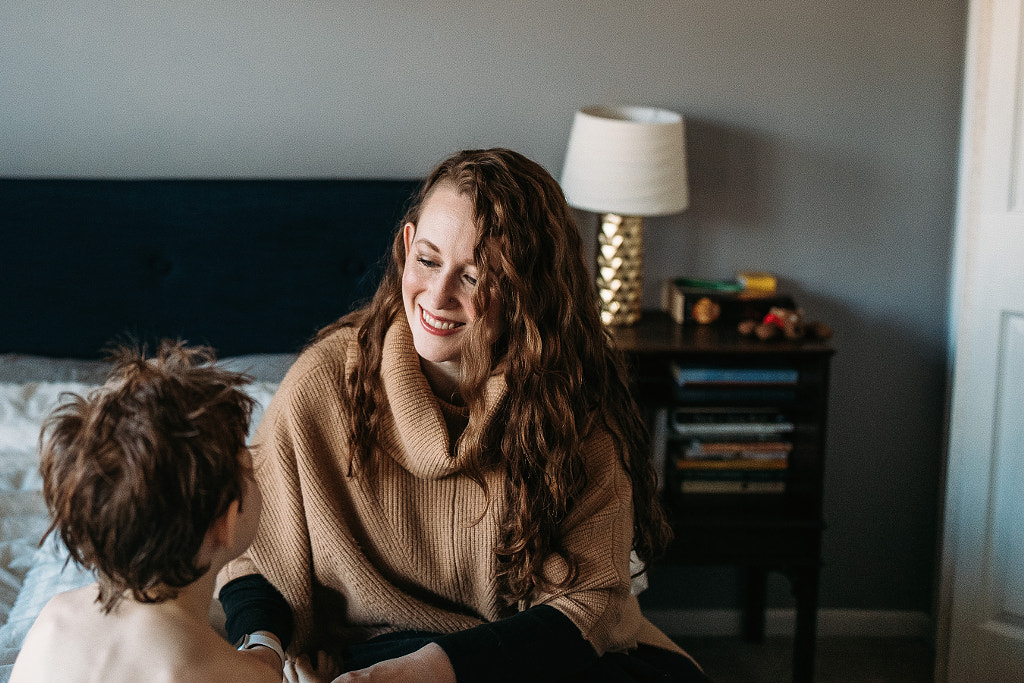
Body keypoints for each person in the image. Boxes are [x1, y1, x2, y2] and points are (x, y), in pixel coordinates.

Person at [218, 148, 711, 682]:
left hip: (531, 659)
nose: (438, 294)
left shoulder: (570, 404)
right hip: (370, 660)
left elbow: (586, 607)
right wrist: (260, 655)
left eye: (475, 277)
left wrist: (428, 672)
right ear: (407, 247)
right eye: (428, 261)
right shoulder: (325, 383)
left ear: (529, 289)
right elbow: (256, 559)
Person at [9, 341, 285, 683]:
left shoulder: (54, 617)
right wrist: (266, 645)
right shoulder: (226, 673)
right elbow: (263, 671)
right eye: (251, 471)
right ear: (227, 522)